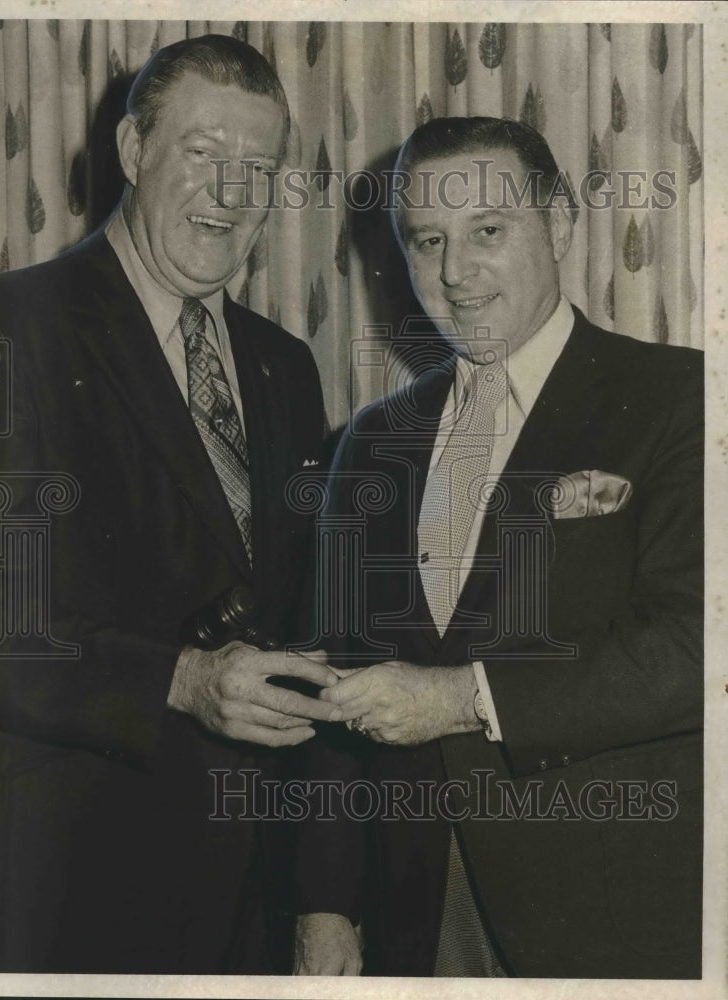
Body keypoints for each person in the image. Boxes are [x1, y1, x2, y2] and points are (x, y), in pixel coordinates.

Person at [0, 34, 339, 974]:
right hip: (70, 891)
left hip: (254, 898)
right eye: (203, 155)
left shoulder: (285, 366)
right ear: (132, 152)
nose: (230, 193)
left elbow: (318, 629)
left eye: (257, 168)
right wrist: (180, 679)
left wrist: (326, 897)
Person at [293, 117, 703, 978]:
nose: (454, 273)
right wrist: (324, 904)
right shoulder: (371, 441)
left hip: (611, 905)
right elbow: (338, 670)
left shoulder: (680, 399)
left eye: (488, 231)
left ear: (556, 226)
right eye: (428, 241)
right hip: (413, 910)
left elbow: (696, 648)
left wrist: (464, 699)